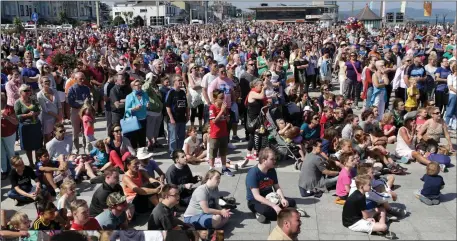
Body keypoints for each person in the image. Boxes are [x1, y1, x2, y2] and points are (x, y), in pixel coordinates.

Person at [246, 148, 298, 223]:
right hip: (255, 201)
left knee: (291, 202)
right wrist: (274, 206)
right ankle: (258, 213)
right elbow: (256, 196)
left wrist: (282, 198)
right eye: (272, 159)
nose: (275, 161)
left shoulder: (271, 170)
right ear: (264, 160)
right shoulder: (253, 173)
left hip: (271, 197)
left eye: (275, 159)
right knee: (269, 211)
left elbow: (277, 187)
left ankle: (282, 212)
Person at [15, 84, 43, 167]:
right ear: (20, 92)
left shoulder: (33, 99)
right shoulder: (18, 102)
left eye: (29, 90)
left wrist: (35, 113)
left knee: (37, 145)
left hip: (35, 125)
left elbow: (39, 110)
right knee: (28, 146)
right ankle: (31, 163)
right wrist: (27, 115)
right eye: (25, 90)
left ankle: (37, 161)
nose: (28, 92)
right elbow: (17, 116)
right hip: (25, 127)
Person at [208, 89, 234, 176]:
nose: (223, 100)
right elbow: (214, 121)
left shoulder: (224, 107)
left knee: (223, 152)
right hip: (215, 134)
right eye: (221, 98)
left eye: (223, 98)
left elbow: (228, 119)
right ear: (215, 98)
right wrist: (222, 111)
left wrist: (227, 116)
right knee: (213, 153)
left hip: (223, 133)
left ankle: (224, 168)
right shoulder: (212, 107)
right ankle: (211, 169)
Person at [67, 72, 91, 155]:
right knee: (75, 131)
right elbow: (71, 102)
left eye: (83, 78)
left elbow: (89, 100)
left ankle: (87, 148)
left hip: (85, 112)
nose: (82, 80)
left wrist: (84, 104)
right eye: (80, 79)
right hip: (75, 111)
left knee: (86, 131)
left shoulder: (86, 88)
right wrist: (82, 103)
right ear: (76, 79)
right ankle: (76, 149)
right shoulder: (72, 89)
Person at [166, 75, 189, 155]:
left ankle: (179, 152)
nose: (181, 82)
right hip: (174, 119)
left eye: (181, 80)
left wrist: (188, 115)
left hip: (182, 118)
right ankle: (172, 152)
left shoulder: (182, 92)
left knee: (181, 136)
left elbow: (186, 105)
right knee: (173, 138)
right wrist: (171, 118)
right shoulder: (171, 92)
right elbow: (168, 106)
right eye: (179, 80)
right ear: (174, 82)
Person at [142, 70, 164, 151]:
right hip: (151, 111)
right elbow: (144, 89)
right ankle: (149, 143)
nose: (154, 79)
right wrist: (149, 80)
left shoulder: (155, 86)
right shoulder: (146, 86)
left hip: (158, 111)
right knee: (150, 128)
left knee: (156, 128)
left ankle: (155, 141)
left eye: (154, 78)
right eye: (152, 78)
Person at [246, 79, 267, 161]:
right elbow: (262, 96)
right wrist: (264, 89)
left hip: (258, 118)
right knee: (256, 135)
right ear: (255, 86)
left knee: (253, 136)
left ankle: (253, 153)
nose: (262, 86)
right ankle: (252, 153)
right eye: (260, 85)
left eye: (262, 85)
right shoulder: (252, 93)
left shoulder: (257, 93)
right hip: (252, 119)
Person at [125, 79, 149, 149]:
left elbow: (147, 103)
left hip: (143, 119)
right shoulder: (129, 96)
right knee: (134, 140)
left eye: (140, 84)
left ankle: (143, 155)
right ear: (133, 87)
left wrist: (148, 105)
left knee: (142, 139)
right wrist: (134, 108)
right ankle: (135, 156)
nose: (139, 86)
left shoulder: (145, 94)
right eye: (137, 85)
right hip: (134, 121)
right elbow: (126, 110)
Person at [1, 92, 18, 179]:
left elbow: (16, 121)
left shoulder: (10, 108)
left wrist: (6, 117)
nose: (2, 98)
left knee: (11, 152)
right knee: (1, 154)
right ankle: (3, 171)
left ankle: (13, 170)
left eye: (3, 96)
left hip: (9, 134)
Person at [445, 63, 457, 129]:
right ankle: (446, 125)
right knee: (450, 110)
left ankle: (454, 126)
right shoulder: (450, 76)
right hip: (453, 95)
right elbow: (450, 86)